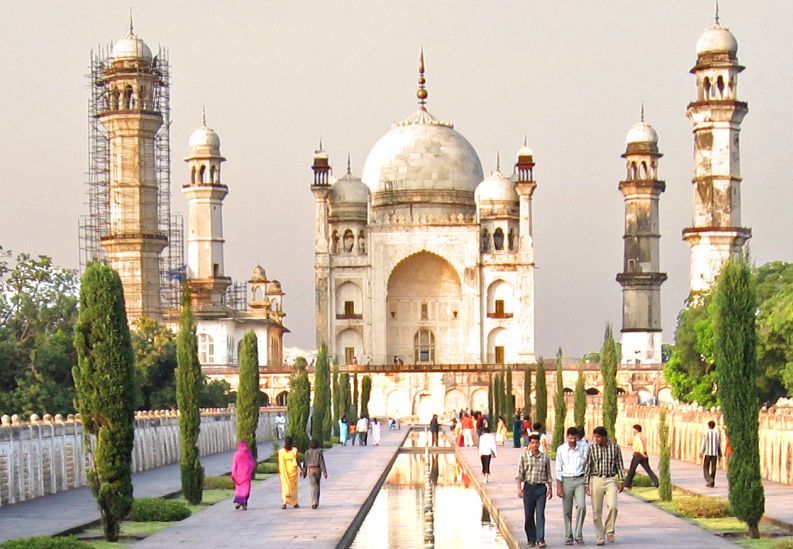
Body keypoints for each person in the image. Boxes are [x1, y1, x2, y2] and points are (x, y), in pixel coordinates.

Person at [584, 426, 625, 546]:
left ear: (604, 437)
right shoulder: (592, 449)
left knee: (613, 507)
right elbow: (588, 466)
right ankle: (600, 536)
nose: (596, 439)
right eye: (595, 437)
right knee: (596, 511)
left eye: (598, 437)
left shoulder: (615, 448)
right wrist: (586, 483)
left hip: (610, 479)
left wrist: (622, 480)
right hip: (596, 479)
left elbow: (620, 465)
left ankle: (609, 530)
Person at [516, 433, 553, 548]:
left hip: (541, 488)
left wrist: (550, 488)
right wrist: (519, 488)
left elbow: (548, 475)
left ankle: (540, 539)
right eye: (532, 443)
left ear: (539, 444)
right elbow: (519, 474)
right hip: (529, 488)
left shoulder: (545, 457)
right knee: (529, 515)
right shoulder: (524, 457)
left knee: (540, 514)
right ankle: (531, 539)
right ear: (529, 444)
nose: (535, 445)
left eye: (537, 443)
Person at [556, 427, 589, 545]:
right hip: (566, 480)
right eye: (570, 438)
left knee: (582, 506)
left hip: (580, 479)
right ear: (567, 437)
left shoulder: (584, 447)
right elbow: (558, 468)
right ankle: (568, 535)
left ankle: (578, 533)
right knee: (567, 509)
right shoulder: (561, 449)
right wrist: (559, 487)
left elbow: (588, 465)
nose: (573, 441)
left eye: (575, 438)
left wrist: (587, 482)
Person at [624, 424, 659, 489]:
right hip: (643, 454)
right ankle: (656, 482)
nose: (633, 431)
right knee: (648, 469)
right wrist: (631, 443)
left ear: (637, 430)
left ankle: (627, 484)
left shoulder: (637, 437)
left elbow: (641, 444)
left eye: (634, 430)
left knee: (632, 470)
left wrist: (642, 452)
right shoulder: (642, 436)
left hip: (638, 454)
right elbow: (640, 443)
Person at [302, 438, 328, 509]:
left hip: (310, 469)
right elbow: (322, 462)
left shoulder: (307, 452)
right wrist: (325, 472)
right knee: (317, 485)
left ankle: (313, 502)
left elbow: (305, 463)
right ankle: (316, 501)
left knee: (313, 486)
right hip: (318, 469)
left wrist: (304, 472)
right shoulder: (319, 451)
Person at [277, 436, 303, 509]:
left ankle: (292, 502)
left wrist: (301, 468)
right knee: (289, 487)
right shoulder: (282, 451)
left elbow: (297, 460)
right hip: (286, 470)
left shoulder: (294, 450)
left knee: (289, 487)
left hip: (292, 471)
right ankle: (286, 502)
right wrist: (301, 468)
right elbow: (281, 462)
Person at [231, 441, 256, 510]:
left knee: (239, 490)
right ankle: (243, 503)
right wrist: (249, 470)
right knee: (246, 490)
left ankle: (239, 502)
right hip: (246, 475)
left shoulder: (236, 454)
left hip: (238, 475)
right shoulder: (248, 454)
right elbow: (252, 463)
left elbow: (234, 465)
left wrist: (233, 474)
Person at [700, 420, 722, 487]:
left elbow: (704, 443)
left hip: (708, 453)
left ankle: (710, 480)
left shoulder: (706, 433)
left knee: (705, 467)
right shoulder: (717, 434)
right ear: (714, 426)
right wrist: (719, 453)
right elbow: (718, 444)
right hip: (714, 453)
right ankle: (712, 482)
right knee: (713, 468)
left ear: (708, 426)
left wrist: (701, 452)